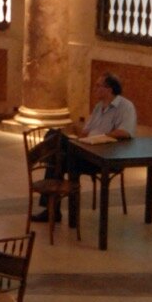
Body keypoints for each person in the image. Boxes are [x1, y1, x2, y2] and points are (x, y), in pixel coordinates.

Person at [31, 72, 138, 222]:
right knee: (56, 148)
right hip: (87, 149)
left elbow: (125, 132)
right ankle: (51, 210)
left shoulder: (125, 107)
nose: (94, 88)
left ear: (109, 89)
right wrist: (83, 139)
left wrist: (102, 137)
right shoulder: (98, 107)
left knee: (56, 149)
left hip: (105, 156)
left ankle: (37, 160)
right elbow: (85, 132)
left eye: (98, 86)